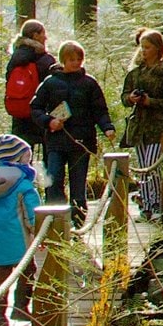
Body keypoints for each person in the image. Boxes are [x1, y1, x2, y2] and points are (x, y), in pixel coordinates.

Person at [28, 41, 112, 223]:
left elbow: (100, 110)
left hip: (81, 142)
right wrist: (49, 121)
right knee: (54, 180)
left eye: (79, 59)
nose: (76, 63)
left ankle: (78, 223)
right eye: (71, 59)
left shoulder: (89, 84)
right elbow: (35, 108)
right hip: (55, 141)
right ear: (63, 60)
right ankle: (55, 222)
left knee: (78, 184)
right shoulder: (50, 83)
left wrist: (107, 127)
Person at [119, 29, 163, 219]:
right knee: (143, 167)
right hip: (139, 127)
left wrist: (151, 102)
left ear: (157, 48)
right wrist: (131, 98)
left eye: (147, 47)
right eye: (142, 47)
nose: (144, 51)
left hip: (160, 126)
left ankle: (156, 204)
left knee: (152, 165)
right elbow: (124, 96)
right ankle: (146, 205)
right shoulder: (135, 73)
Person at [0, 134, 41, 326]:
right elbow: (33, 214)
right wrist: (40, 234)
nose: (30, 159)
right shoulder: (23, 184)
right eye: (27, 156)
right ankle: (20, 307)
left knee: (0, 278)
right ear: (18, 158)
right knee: (28, 271)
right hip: (20, 240)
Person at [4, 20, 59, 153]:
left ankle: (23, 174)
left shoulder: (14, 59)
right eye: (43, 33)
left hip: (20, 112)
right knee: (48, 156)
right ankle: (46, 175)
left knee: (22, 154)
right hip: (40, 114)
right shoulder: (45, 60)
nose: (45, 37)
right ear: (35, 35)